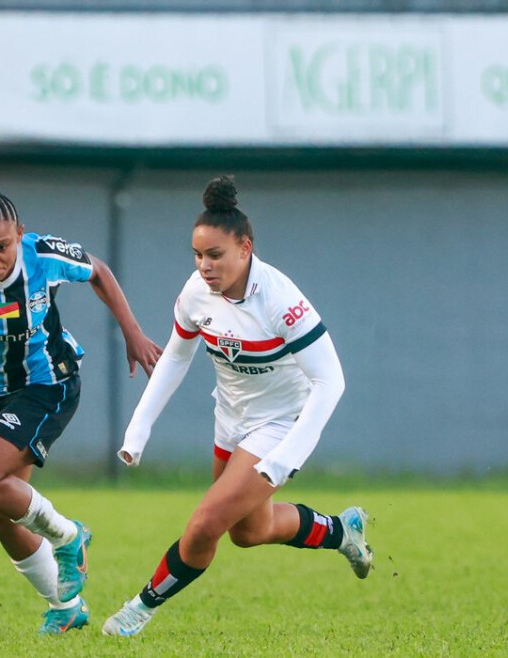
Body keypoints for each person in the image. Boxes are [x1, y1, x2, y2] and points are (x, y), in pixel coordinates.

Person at [102, 175, 372, 638]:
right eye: (197, 255)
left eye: (215, 255)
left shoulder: (281, 301)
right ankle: (341, 531)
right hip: (231, 421)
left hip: (280, 426)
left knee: (206, 523)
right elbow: (176, 357)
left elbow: (331, 381)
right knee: (248, 531)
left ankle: (138, 609)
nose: (204, 266)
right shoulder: (194, 293)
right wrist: (138, 429)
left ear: (245, 248)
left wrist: (286, 458)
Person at [0, 171, 162, 634]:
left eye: (2, 246)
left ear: (20, 236)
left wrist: (132, 332)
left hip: (49, 383)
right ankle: (66, 607)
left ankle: (69, 536)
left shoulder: (42, 253)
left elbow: (99, 272)